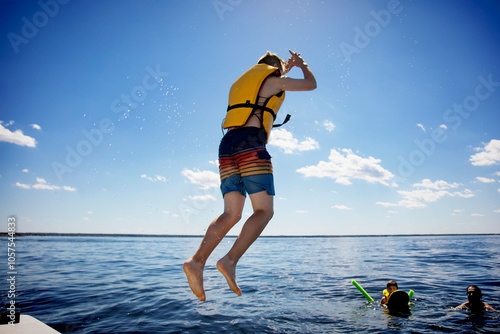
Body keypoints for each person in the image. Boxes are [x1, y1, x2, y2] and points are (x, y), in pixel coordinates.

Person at [183, 50, 317, 301]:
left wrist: (283, 67)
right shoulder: (272, 81)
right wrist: (302, 64)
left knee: (231, 213)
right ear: (275, 68)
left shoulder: (245, 83)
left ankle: (196, 261)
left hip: (227, 145)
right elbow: (311, 84)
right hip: (251, 145)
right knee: (264, 211)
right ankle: (229, 261)